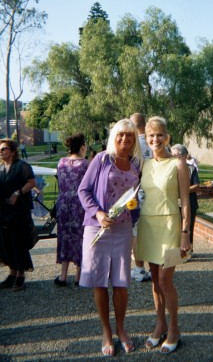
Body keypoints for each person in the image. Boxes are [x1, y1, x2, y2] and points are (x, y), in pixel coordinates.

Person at [78, 119, 142, 357]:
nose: (125, 140)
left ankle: (121, 329)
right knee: (99, 282)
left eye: (130, 136)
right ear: (114, 137)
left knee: (121, 283)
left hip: (123, 230)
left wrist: (134, 210)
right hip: (97, 229)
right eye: (121, 136)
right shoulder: (102, 159)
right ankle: (106, 331)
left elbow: (135, 196)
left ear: (135, 139)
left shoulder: (136, 163)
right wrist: (98, 212)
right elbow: (83, 190)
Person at [137, 116, 191, 354]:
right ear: (146, 139)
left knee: (164, 280)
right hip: (148, 225)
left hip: (170, 224)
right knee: (154, 281)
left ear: (167, 137)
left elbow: (186, 203)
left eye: (160, 135)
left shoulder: (179, 164)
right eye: (151, 135)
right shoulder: (144, 164)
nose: (155, 139)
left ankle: (175, 329)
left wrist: (185, 233)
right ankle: (160, 325)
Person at [0, 139, 36, 291]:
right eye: (0, 149)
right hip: (4, 212)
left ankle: (20, 274)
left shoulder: (22, 166)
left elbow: (32, 182)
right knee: (6, 242)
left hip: (19, 211)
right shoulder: (1, 168)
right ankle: (12, 272)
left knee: (18, 242)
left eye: (4, 149)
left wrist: (18, 192)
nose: (1, 151)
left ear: (13, 151)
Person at [54, 133, 88, 287]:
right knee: (80, 237)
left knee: (64, 236)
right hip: (79, 204)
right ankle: (78, 276)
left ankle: (63, 275)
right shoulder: (85, 164)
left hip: (63, 204)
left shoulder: (61, 162)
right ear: (82, 147)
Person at [130, 112, 152, 282]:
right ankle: (154, 268)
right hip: (155, 194)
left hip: (138, 193)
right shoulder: (156, 143)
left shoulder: (133, 145)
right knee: (152, 232)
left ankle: (139, 269)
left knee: (137, 233)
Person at [171, 144, 200, 252]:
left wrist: (182, 191)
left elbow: (197, 186)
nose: (173, 158)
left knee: (188, 227)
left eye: (176, 155)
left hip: (190, 203)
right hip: (174, 204)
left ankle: (189, 250)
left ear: (184, 156)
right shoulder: (171, 168)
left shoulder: (191, 169)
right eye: (172, 155)